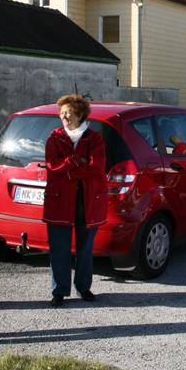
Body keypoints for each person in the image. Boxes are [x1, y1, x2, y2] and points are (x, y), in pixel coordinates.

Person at [43, 94, 107, 307]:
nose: (63, 116)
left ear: (79, 114)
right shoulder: (54, 138)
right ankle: (59, 290)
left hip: (87, 199)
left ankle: (83, 287)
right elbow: (52, 166)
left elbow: (96, 167)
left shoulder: (94, 138)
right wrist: (75, 161)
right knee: (59, 246)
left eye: (68, 112)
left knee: (85, 246)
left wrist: (69, 169)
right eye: (61, 113)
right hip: (60, 199)